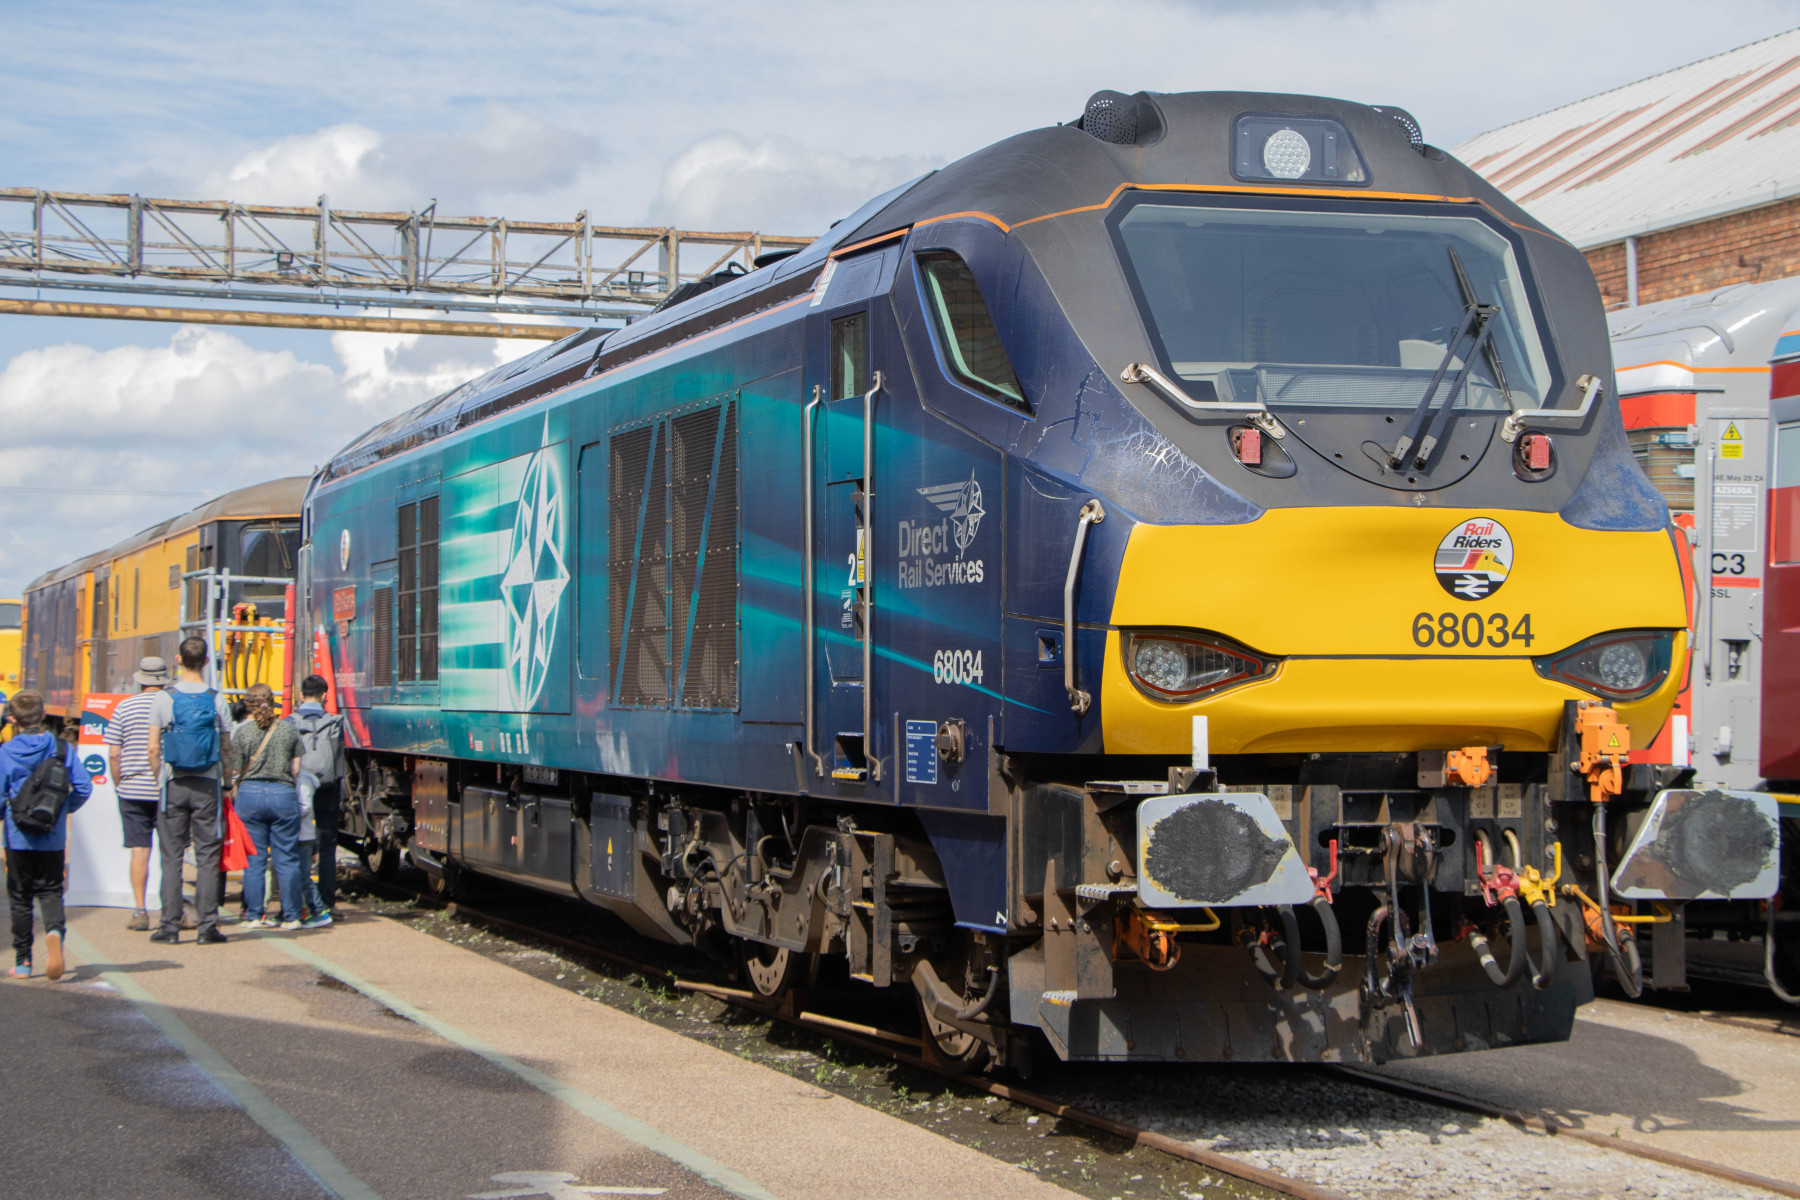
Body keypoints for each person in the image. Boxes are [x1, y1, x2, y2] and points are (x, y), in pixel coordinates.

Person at [147, 636, 234, 945]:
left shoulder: (164, 698)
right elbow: (226, 746)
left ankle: (169, 928)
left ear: (178, 659)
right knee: (208, 856)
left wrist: (161, 779)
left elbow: (152, 749)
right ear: (207, 661)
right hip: (207, 786)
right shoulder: (216, 698)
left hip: (172, 785)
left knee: (171, 857)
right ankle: (207, 928)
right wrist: (227, 784)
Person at [0, 691, 92, 979]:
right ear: (42, 716)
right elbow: (84, 788)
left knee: (20, 898)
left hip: (18, 838)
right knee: (51, 891)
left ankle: (24, 962)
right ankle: (54, 931)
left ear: (12, 720)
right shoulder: (62, 749)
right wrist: (62, 811)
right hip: (51, 837)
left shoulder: (5, 752)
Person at [231, 683, 311, 931]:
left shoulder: (242, 732)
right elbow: (296, 768)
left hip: (250, 796)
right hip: (283, 794)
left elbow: (235, 770)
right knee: (286, 858)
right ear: (271, 702)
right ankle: (292, 916)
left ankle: (254, 915)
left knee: (254, 858)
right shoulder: (289, 730)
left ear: (248, 705)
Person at [104, 657, 169, 930]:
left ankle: (140, 911)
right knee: (170, 852)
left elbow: (114, 753)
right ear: (164, 680)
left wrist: (119, 784)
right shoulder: (172, 705)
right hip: (166, 788)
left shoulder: (123, 707)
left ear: (139, 680)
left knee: (140, 851)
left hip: (131, 789)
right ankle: (171, 911)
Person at [291, 675, 346, 920]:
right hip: (326, 786)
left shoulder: (289, 722)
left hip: (300, 787)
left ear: (301, 695)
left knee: (295, 844)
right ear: (325, 695)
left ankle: (298, 902)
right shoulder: (334, 722)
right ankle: (326, 902)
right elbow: (338, 759)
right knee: (327, 847)